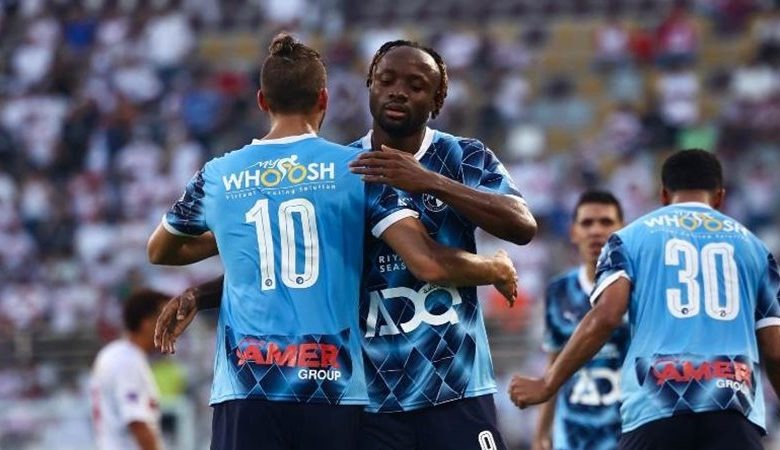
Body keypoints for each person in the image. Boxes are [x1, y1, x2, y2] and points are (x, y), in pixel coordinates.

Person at [156, 39, 537, 450]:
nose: (398, 92)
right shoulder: (343, 169)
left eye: (415, 85)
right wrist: (202, 294)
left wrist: (431, 182)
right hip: (371, 399)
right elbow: (291, 260)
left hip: (454, 386)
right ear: (369, 85)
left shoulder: (462, 156)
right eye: (386, 80)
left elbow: (522, 225)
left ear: (437, 98)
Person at [510, 149, 780, 450]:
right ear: (719, 197)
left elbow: (607, 315)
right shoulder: (757, 250)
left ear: (663, 194)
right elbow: (774, 350)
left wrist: (548, 383)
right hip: (733, 407)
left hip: (656, 408)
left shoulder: (628, 239)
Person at [533, 191, 628, 450]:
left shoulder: (638, 290)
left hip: (628, 435)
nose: (596, 231)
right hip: (573, 437)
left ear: (623, 230)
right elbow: (553, 365)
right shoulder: (558, 291)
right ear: (573, 232)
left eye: (606, 222)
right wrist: (541, 435)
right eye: (587, 223)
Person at [89, 289, 169, 450]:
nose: (173, 328)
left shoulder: (114, 354)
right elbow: (137, 423)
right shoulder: (127, 360)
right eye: (167, 320)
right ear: (147, 323)